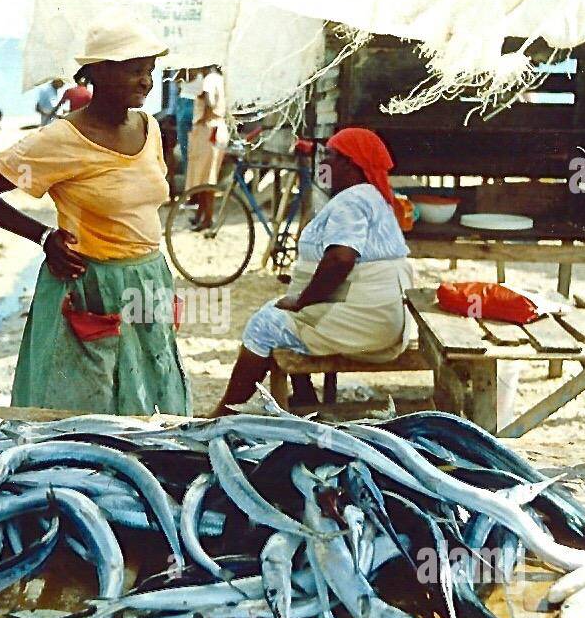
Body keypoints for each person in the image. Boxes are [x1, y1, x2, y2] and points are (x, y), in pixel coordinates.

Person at [0, 17, 190, 416]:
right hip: (89, 286)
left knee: (150, 403)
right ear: (100, 72)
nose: (147, 81)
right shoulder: (60, 139)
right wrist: (44, 236)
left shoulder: (150, 128)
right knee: (82, 410)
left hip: (147, 279)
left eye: (150, 70)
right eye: (135, 70)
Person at [209, 128, 414, 416]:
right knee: (281, 310)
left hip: (367, 321)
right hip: (381, 316)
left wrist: (303, 300)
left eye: (329, 156)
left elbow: (341, 259)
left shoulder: (353, 201)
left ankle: (224, 413)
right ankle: (305, 398)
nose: (323, 164)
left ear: (350, 164)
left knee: (263, 325)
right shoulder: (368, 197)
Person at [185, 64, 229, 228]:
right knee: (204, 176)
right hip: (214, 128)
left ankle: (207, 218)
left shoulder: (209, 80)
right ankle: (201, 215)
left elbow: (210, 102)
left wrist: (203, 96)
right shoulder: (220, 79)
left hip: (209, 129)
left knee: (206, 178)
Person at [174, 68, 201, 175]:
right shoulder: (205, 70)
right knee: (198, 151)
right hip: (198, 105)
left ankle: (189, 182)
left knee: (186, 151)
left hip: (184, 103)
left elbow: (176, 80)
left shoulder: (185, 69)